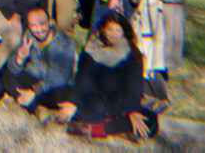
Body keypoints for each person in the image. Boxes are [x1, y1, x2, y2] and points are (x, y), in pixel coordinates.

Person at [57, 12, 158, 141]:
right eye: (110, 29)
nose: (114, 34)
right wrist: (73, 103)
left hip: (121, 99)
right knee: (82, 113)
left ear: (125, 32)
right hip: (97, 98)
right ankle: (111, 128)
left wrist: (133, 111)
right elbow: (83, 81)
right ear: (102, 29)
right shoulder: (91, 50)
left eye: (118, 30)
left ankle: (95, 129)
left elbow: (134, 86)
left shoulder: (133, 54)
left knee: (150, 121)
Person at [2, 7, 77, 117]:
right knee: (7, 73)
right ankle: (37, 108)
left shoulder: (66, 43)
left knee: (64, 94)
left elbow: (62, 77)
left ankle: (29, 103)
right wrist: (20, 58)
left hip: (53, 86)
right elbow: (14, 68)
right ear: (28, 26)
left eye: (42, 24)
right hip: (35, 78)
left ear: (50, 22)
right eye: (33, 25)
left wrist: (35, 91)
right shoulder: (28, 36)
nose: (38, 29)